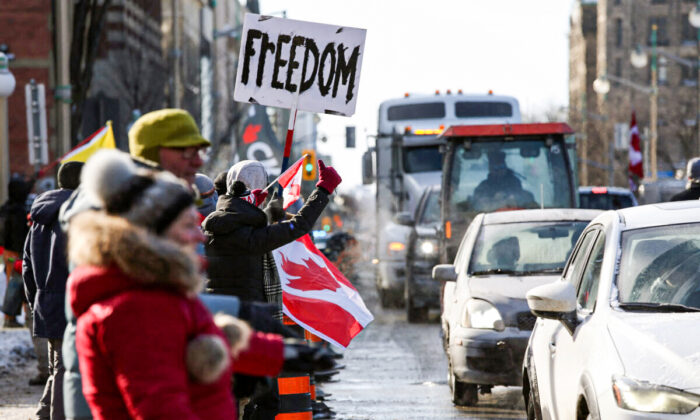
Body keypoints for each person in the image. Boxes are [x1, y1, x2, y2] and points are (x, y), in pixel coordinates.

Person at [67, 150, 289, 420]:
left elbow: (192, 334)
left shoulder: (157, 289)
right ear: (156, 233)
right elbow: (160, 405)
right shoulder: (134, 307)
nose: (200, 234)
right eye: (188, 225)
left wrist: (280, 353)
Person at [23, 161, 83, 420]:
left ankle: (44, 413)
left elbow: (27, 265)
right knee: (64, 369)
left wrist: (35, 299)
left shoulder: (39, 217)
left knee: (58, 366)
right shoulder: (77, 215)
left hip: (45, 301)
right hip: (71, 303)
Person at [472, 151, 537, 211]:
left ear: (505, 167)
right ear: (490, 169)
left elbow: (522, 200)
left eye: (501, 166)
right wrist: (495, 200)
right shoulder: (483, 187)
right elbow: (478, 206)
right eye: (495, 168)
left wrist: (513, 199)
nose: (498, 170)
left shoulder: (514, 183)